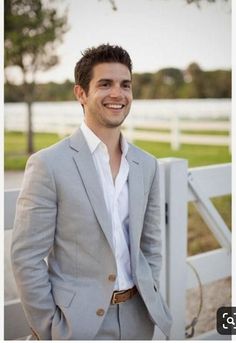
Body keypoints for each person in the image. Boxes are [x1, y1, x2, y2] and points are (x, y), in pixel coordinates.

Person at [11, 44, 172, 340]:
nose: (117, 94)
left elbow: (150, 246)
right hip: (77, 326)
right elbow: (26, 256)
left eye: (125, 85)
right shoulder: (48, 164)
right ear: (81, 94)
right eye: (105, 84)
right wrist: (49, 328)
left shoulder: (146, 164)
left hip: (138, 319)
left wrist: (149, 292)